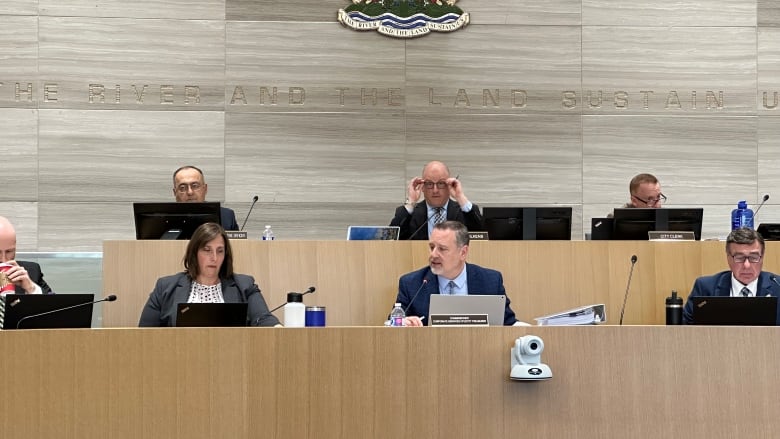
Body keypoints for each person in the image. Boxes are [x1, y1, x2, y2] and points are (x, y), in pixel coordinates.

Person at [139, 222, 279, 327]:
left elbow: (264, 319)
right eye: (207, 250)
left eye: (220, 251)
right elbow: (144, 333)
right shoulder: (165, 287)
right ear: (195, 253)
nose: (214, 258)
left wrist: (278, 328)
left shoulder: (244, 285)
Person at [395, 221, 520, 326]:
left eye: (442, 249)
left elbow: (509, 324)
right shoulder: (412, 284)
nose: (433, 254)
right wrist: (403, 322)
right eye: (432, 247)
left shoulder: (490, 281)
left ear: (463, 252)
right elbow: (393, 322)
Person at [682, 227, 780, 324]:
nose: (747, 265)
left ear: (762, 258)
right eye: (739, 257)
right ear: (728, 258)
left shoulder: (777, 287)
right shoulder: (706, 288)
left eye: (754, 257)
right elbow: (685, 329)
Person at [390, 161, 483, 240]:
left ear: (449, 185)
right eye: (429, 184)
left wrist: (461, 197)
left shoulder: (464, 212)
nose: (435, 190)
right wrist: (411, 202)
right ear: (422, 187)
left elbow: (484, 236)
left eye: (441, 183)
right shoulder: (411, 213)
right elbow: (391, 240)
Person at [173, 165, 239, 230]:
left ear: (205, 189)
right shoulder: (164, 217)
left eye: (195, 186)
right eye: (182, 188)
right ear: (175, 192)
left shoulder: (226, 216)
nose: (190, 192)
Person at [0, 216, 51, 294]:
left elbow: (58, 305)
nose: (4, 260)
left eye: (9, 251)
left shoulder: (31, 271)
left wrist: (31, 288)